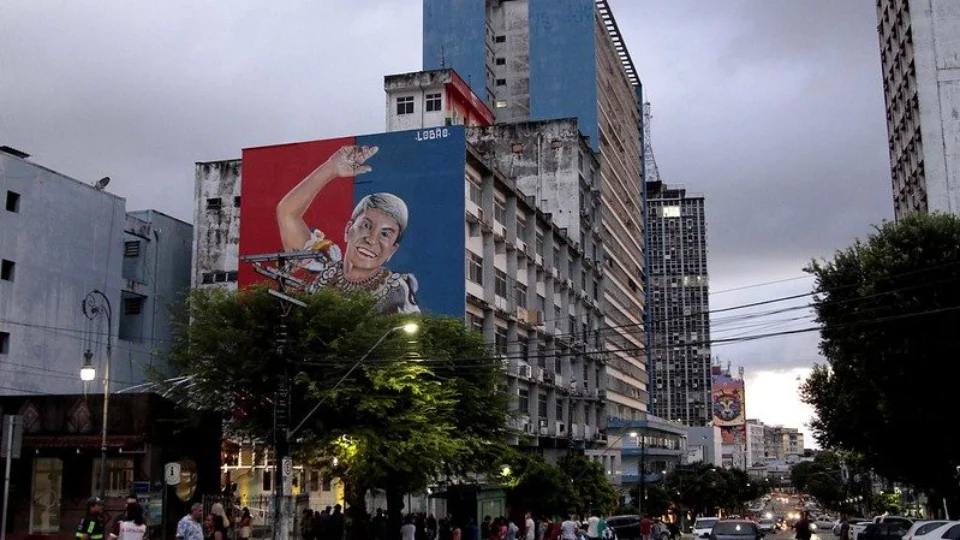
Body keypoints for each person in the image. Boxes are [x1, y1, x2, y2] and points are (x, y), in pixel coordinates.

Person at [275, 145, 419, 314]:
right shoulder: (321, 268)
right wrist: (331, 169)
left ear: (392, 251)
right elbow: (286, 213)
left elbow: (413, 338)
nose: (372, 239)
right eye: (366, 226)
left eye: (385, 234)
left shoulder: (397, 290)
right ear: (348, 230)